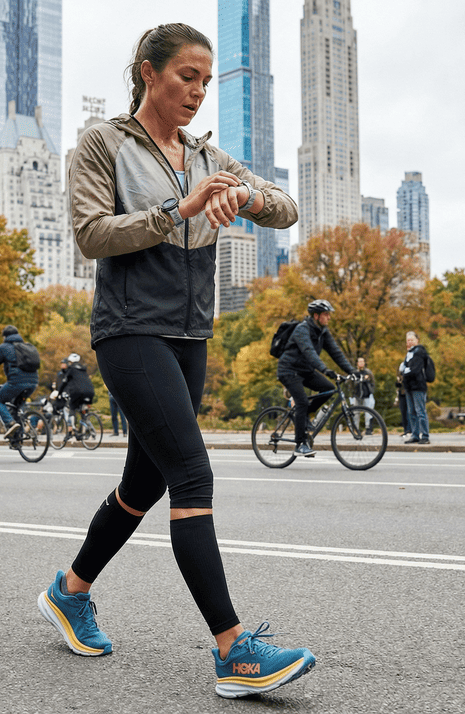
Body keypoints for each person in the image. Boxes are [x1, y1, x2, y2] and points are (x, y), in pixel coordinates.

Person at [38, 23, 312, 700]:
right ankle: (232, 650)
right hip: (130, 328)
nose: (197, 92)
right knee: (191, 472)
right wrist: (174, 208)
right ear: (148, 73)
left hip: (190, 332)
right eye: (186, 76)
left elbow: (288, 208)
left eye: (206, 81)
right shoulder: (103, 143)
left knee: (146, 481)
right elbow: (91, 233)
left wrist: (240, 195)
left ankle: (70, 591)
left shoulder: (206, 154)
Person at [277, 300, 354, 457]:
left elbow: (336, 353)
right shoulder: (301, 330)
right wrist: (326, 370)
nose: (329, 318)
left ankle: (305, 415)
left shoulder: (323, 332)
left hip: (305, 370)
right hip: (289, 370)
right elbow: (309, 352)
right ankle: (300, 445)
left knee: (329, 389)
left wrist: (353, 371)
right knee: (302, 402)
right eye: (326, 315)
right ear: (316, 316)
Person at [0, 326, 40, 438]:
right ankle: (17, 439)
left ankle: (10, 423)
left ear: (5, 336)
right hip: (33, 382)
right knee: (15, 408)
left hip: (16, 382)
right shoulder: (25, 347)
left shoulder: (4, 348)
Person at [399, 331, 432, 444]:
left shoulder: (419, 351)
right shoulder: (409, 353)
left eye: (412, 340)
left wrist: (405, 371)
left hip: (418, 386)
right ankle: (415, 434)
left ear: (417, 340)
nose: (409, 342)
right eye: (408, 340)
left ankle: (425, 436)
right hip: (409, 387)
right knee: (411, 412)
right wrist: (405, 370)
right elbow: (405, 369)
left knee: (420, 411)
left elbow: (414, 370)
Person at [60, 353, 96, 433]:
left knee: (72, 407)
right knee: (83, 410)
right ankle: (87, 429)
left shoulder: (71, 369)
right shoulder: (83, 370)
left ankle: (72, 429)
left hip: (78, 392)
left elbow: (64, 382)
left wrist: (59, 393)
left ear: (70, 361)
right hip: (90, 392)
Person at [350, 356, 376, 433]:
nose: (361, 363)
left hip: (366, 394)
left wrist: (370, 389)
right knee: (356, 412)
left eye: (363, 361)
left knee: (368, 412)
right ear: (357, 363)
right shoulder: (354, 373)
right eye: (360, 361)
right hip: (357, 395)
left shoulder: (368, 372)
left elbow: (373, 383)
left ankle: (368, 428)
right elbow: (351, 384)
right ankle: (356, 428)